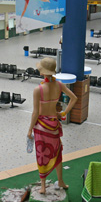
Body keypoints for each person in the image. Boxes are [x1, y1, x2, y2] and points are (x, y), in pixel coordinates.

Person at [27, 57, 77, 194]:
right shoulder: (59, 85)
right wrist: (64, 112)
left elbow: (35, 113)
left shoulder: (38, 89)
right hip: (54, 125)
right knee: (57, 153)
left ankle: (43, 185)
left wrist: (30, 129)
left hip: (41, 127)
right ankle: (60, 180)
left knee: (41, 154)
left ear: (43, 72)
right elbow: (74, 98)